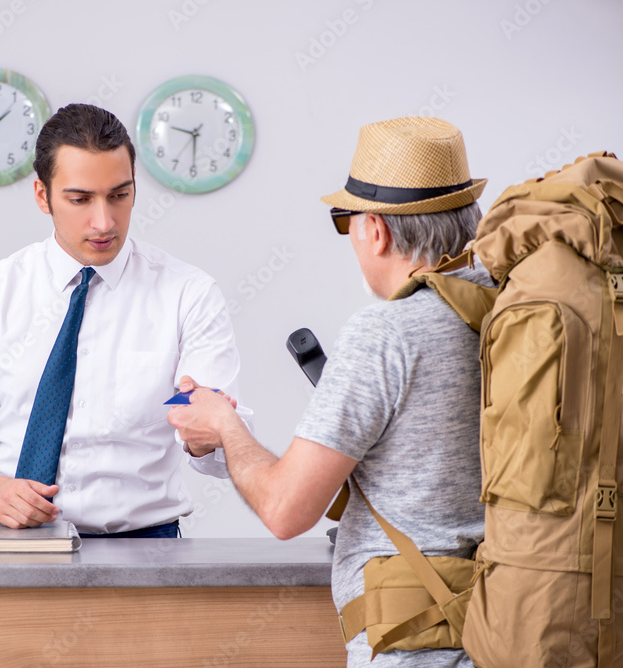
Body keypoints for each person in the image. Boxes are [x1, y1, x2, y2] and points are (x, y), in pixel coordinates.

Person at [167, 116, 489, 666]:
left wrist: (225, 426)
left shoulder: (386, 333)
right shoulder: (508, 312)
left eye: (347, 222)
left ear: (376, 231)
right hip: (512, 628)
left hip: (415, 644)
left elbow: (286, 510)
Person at [0, 103, 252, 538]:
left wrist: (208, 436)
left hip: (145, 553)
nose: (104, 222)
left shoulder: (187, 294)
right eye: (80, 199)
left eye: (120, 195)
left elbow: (220, 451)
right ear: (43, 195)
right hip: (9, 544)